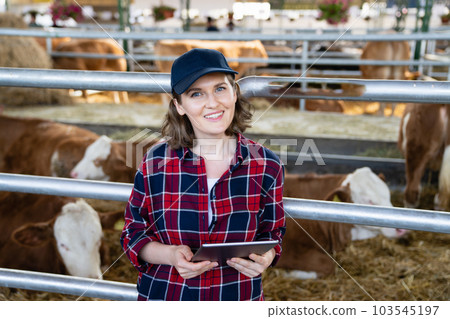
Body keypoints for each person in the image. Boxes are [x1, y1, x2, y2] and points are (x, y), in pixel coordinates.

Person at [121, 48, 286, 301]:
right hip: (169, 295)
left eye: (220, 88)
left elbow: (273, 233)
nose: (213, 102)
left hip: (236, 296)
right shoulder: (155, 162)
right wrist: (171, 255)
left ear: (234, 94)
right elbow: (133, 233)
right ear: (179, 106)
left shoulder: (267, 165)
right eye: (196, 93)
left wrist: (267, 256)